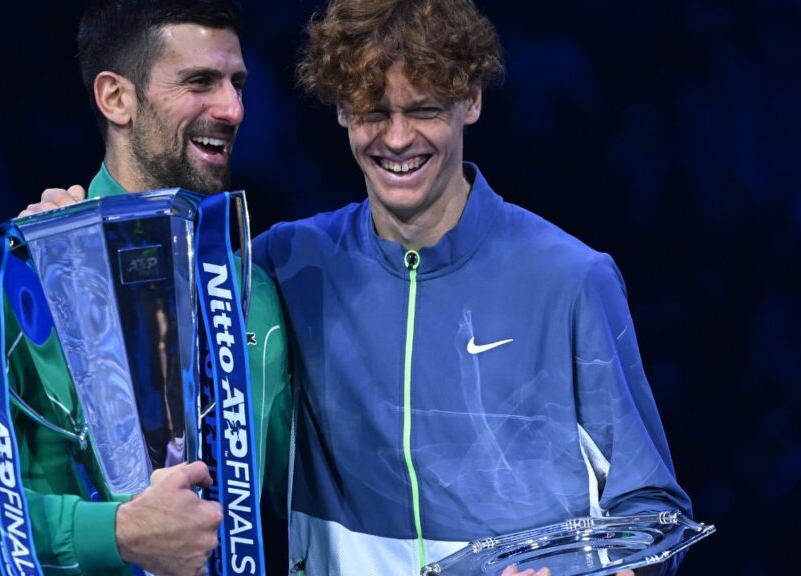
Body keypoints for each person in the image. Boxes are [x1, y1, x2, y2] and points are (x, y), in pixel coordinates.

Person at [248, 0, 693, 575]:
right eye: (373, 112)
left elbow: (652, 511)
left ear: (472, 100)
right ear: (340, 108)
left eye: (425, 109)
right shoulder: (285, 264)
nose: (398, 138)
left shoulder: (571, 279)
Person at [0, 2, 290, 576]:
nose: (233, 108)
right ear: (115, 97)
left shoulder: (255, 290)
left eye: (237, 83)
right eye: (200, 82)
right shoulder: (14, 276)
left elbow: (304, 497)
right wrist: (116, 533)